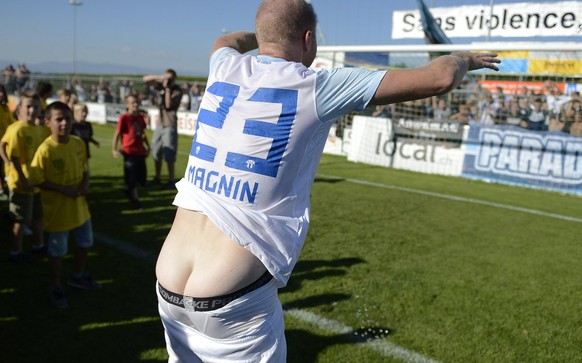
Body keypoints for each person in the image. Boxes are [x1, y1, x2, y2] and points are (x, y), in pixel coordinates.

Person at [154, 0, 500, 361]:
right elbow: (439, 77)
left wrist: (260, 35)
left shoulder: (225, 66)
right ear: (308, 40)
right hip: (233, 301)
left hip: (168, 280)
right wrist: (465, 58)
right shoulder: (317, 85)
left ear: (262, 36)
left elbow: (225, 40)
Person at [29, 101, 98, 308]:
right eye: (59, 119)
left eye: (67, 118)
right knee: (57, 251)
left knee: (85, 243)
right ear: (48, 122)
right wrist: (63, 189)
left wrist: (85, 182)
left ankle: (78, 275)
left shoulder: (77, 143)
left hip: (80, 208)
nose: (64, 123)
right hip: (58, 212)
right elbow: (37, 179)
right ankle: (56, 287)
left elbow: (84, 168)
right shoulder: (45, 150)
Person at [0, 91, 49, 263]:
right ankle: (16, 251)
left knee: (38, 216)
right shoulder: (18, 129)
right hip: (22, 184)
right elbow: (13, 156)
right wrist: (21, 178)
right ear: (20, 108)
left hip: (36, 182)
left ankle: (38, 244)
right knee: (20, 220)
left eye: (35, 107)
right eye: (28, 106)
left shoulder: (38, 129)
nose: (32, 110)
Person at [143, 69, 183, 187]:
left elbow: (168, 105)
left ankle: (171, 179)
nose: (168, 81)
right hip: (160, 124)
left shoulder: (177, 90)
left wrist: (167, 90)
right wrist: (161, 77)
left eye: (170, 79)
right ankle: (157, 177)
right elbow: (145, 79)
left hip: (169, 124)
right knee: (156, 150)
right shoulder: (160, 85)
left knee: (169, 152)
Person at [112, 95, 150, 210]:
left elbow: (142, 134)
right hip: (129, 152)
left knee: (142, 179)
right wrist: (114, 149)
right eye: (132, 102)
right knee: (132, 178)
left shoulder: (140, 117)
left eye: (137, 102)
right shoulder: (124, 118)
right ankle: (136, 200)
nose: (135, 104)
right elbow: (117, 134)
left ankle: (128, 189)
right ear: (127, 104)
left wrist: (148, 147)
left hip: (140, 152)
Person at [71, 103, 100, 171]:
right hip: (73, 155)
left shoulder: (88, 125)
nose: (84, 114)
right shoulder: (72, 125)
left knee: (85, 174)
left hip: (85, 154)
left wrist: (95, 142)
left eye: (86, 111)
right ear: (76, 112)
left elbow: (88, 137)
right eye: (82, 112)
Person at [0, 84, 15, 194]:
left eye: (2, 92)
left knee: (4, 164)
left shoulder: (5, 108)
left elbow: (12, 122)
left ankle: (4, 186)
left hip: (4, 142)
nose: (1, 94)